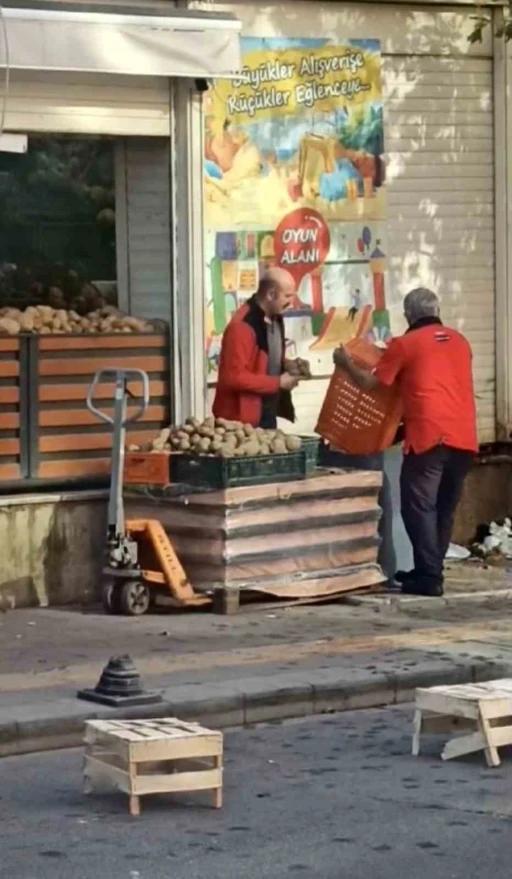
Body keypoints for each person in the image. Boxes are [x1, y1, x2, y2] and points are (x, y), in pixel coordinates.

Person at [333, 287, 477, 597]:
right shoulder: (461, 342)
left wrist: (345, 363)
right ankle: (431, 572)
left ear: (409, 315)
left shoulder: (406, 344)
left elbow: (373, 385)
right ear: (436, 310)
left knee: (418, 506)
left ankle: (428, 576)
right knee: (444, 507)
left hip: (429, 436)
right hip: (465, 437)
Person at [213, 268, 302, 429]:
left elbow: (266, 360)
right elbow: (233, 377)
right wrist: (278, 383)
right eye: (287, 296)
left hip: (266, 413)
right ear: (270, 295)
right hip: (239, 422)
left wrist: (289, 365)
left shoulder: (276, 317)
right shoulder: (242, 326)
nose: (292, 302)